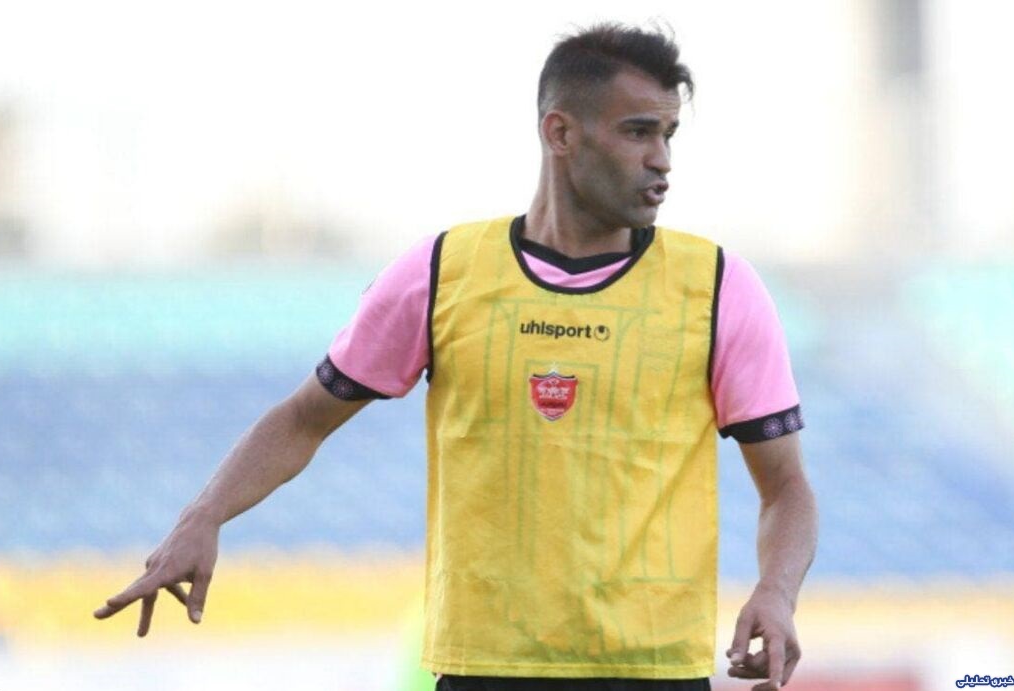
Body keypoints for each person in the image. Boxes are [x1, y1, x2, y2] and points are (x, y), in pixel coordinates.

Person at [94, 23, 818, 691]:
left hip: (654, 670)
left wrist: (776, 592)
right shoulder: (443, 273)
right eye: (637, 132)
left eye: (668, 134)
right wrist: (204, 516)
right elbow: (305, 419)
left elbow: (786, 488)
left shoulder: (719, 287)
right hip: (483, 669)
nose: (661, 159)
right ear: (560, 132)